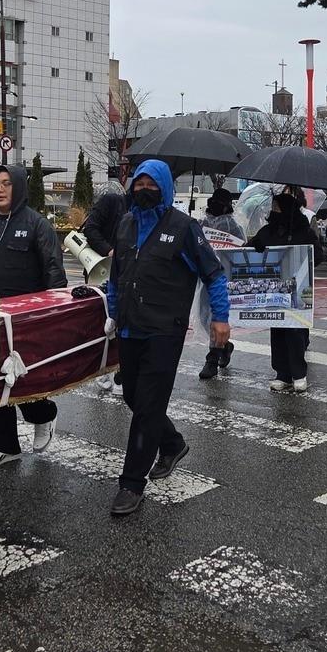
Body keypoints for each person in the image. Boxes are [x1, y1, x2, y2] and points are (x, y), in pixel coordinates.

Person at [105, 159, 229, 517]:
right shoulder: (126, 224)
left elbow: (214, 274)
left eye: (151, 184)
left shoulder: (185, 227)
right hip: (129, 326)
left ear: (164, 187)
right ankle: (172, 443)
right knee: (132, 394)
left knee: (147, 406)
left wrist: (220, 318)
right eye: (139, 184)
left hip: (164, 329)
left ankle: (131, 483)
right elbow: (116, 275)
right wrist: (113, 312)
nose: (144, 189)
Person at [0, 165, 67, 469]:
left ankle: (44, 416)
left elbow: (54, 271)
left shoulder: (37, 225)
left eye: (6, 184)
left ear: (19, 187)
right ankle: (5, 444)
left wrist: (53, 315)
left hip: (27, 321)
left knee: (24, 381)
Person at [250, 192, 316, 392]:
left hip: (297, 290)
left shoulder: (303, 230)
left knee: (295, 330)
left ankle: (299, 373)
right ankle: (282, 374)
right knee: (277, 330)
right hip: (274, 291)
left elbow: (317, 254)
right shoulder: (268, 230)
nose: (273, 211)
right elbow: (251, 248)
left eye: (277, 208)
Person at [82, 185, 128, 393]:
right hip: (102, 269)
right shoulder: (112, 201)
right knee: (105, 322)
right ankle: (104, 372)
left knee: (118, 322)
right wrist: (109, 250)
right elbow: (90, 228)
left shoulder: (140, 209)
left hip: (123, 271)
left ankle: (115, 373)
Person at [198, 188, 242, 380]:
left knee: (217, 316)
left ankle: (212, 359)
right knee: (203, 317)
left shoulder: (234, 227)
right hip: (203, 278)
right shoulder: (201, 224)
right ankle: (224, 346)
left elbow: (242, 250)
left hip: (223, 279)